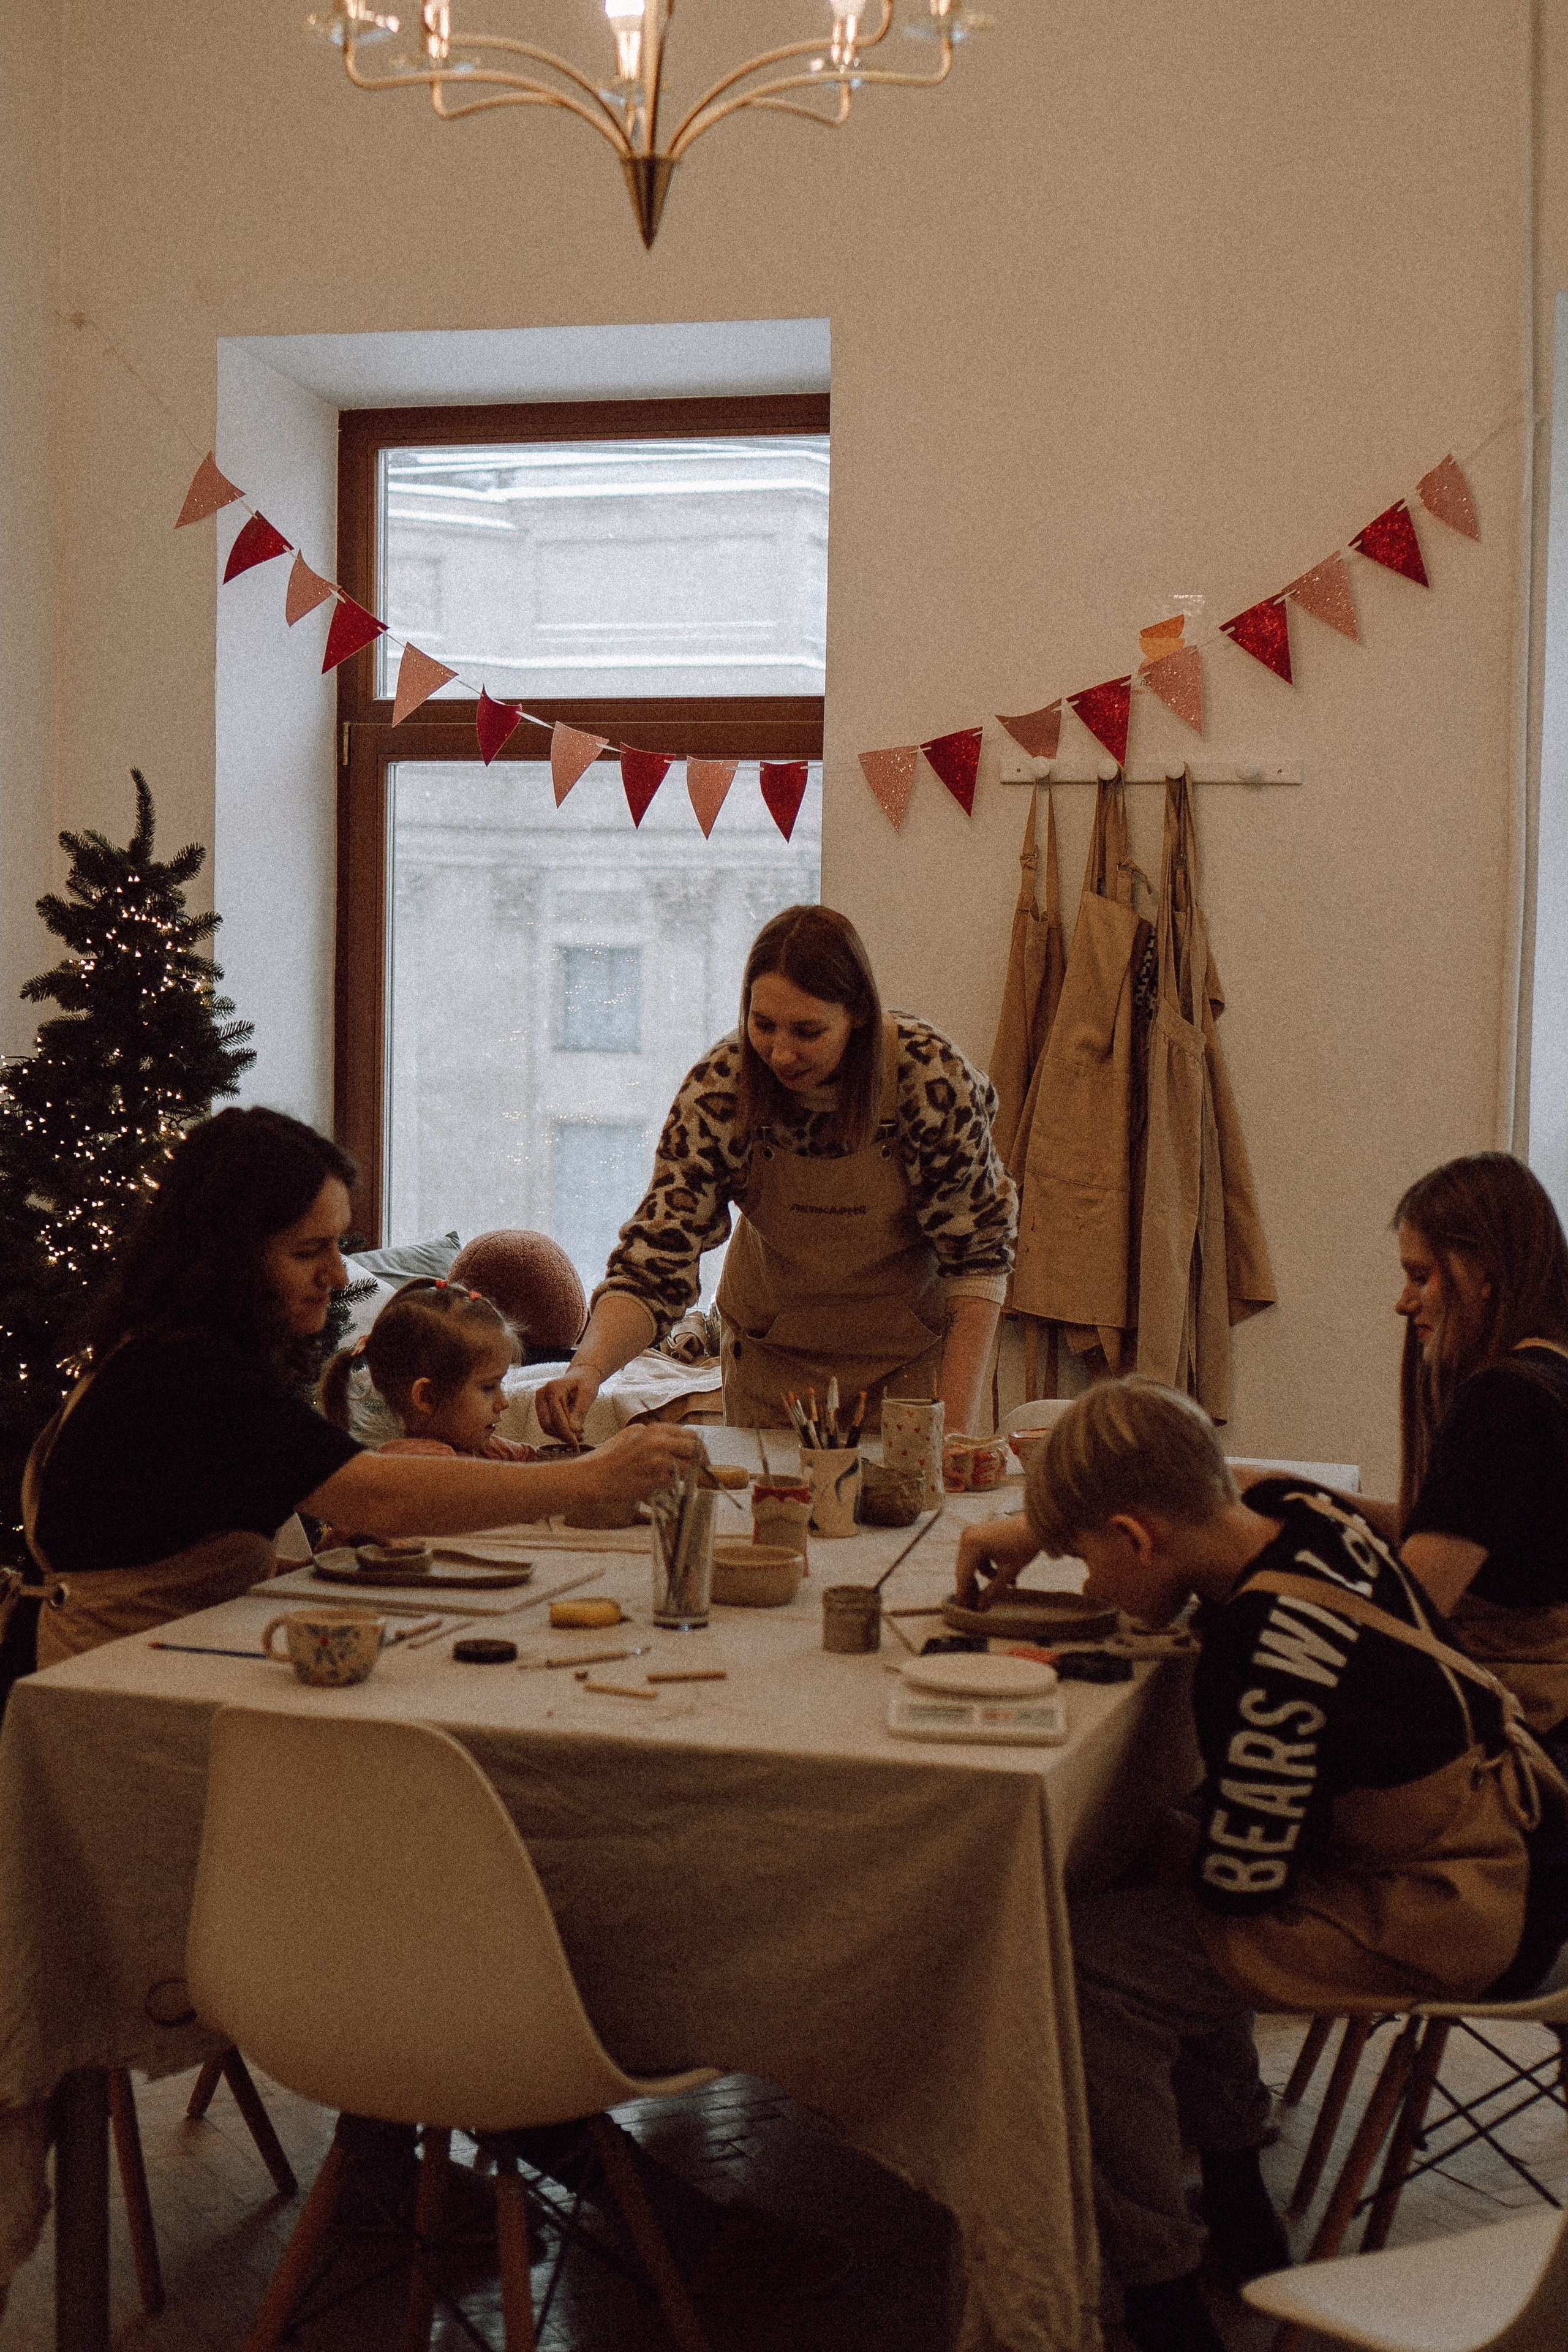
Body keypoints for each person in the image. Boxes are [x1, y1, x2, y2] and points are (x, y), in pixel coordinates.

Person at [955, 1377, 1568, 2352]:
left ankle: (1160, 2290)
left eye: (1084, 1558)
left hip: (1459, 1906)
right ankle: (1239, 2197)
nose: (1086, 1587)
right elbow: (1215, 1474)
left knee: (1089, 1964)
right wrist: (1043, 1522)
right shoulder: (1296, 1512)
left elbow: (1243, 1891)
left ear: (1138, 1535)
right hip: (1526, 1837)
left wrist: (1156, 1834)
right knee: (1167, 1886)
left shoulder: (1259, 1654)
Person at [24, 1106, 703, 1663]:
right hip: (110, 1680)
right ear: (227, 1260)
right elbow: (382, 1496)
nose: (341, 1275)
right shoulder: (186, 1372)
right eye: (306, 1252)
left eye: (338, 1246)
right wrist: (593, 1477)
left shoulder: (182, 1349)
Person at [536, 905, 1017, 1444]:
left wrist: (949, 1431)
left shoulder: (929, 1077)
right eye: (763, 1025)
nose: (781, 1054)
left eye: (808, 1031)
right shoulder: (723, 1088)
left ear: (857, 1012)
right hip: (773, 1368)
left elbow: (980, 1259)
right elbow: (655, 1261)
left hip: (907, 1369)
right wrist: (588, 1369)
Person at [320, 1278, 535, 1460]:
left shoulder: (483, 1448)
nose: (503, 1403)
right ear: (427, 1396)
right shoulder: (420, 1460)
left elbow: (538, 1462)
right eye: (488, 1387)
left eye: (501, 1384)